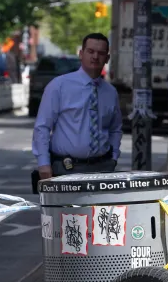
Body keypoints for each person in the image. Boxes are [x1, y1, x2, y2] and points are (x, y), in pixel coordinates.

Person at [32, 33, 122, 179]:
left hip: (103, 168)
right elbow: (42, 126)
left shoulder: (111, 92)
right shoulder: (59, 86)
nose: (95, 57)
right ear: (81, 54)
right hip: (66, 168)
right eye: (90, 51)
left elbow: (115, 129)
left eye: (101, 53)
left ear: (107, 58)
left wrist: (114, 157)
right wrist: (43, 163)